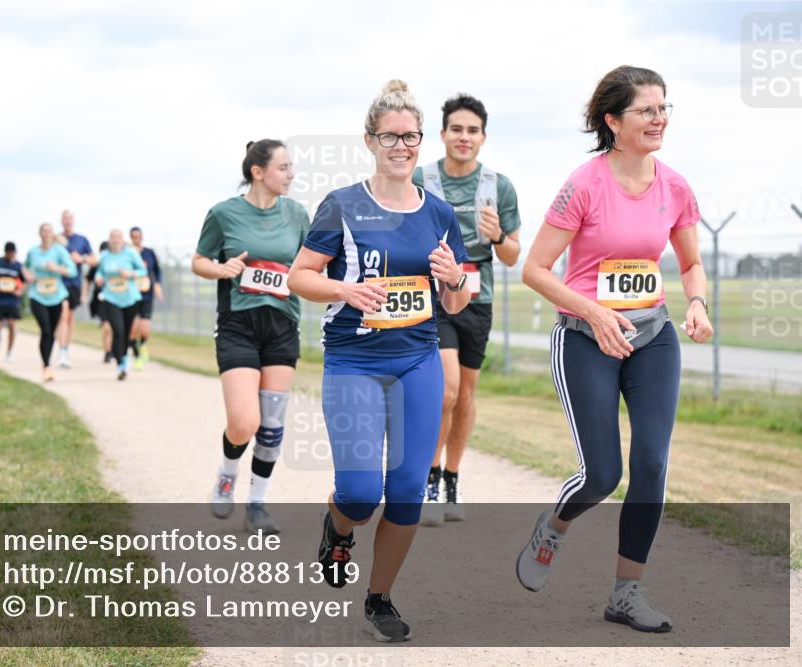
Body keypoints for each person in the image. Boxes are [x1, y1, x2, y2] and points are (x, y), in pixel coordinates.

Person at [515, 65, 712, 634]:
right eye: (646, 110)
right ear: (613, 120)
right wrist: (594, 312)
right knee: (603, 474)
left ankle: (626, 594)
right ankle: (554, 526)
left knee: (651, 465)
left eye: (664, 107)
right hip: (585, 337)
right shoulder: (584, 184)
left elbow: (692, 261)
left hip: (652, 336)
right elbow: (535, 269)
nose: (659, 118)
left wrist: (695, 302)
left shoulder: (674, 185)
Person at [288, 80, 469, 642]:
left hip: (418, 358)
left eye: (410, 137)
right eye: (390, 137)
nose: (401, 146)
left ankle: (380, 597)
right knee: (362, 493)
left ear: (420, 142)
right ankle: (338, 526)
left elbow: (457, 300)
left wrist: (454, 278)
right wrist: (345, 290)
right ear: (370, 140)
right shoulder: (342, 204)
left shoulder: (439, 213)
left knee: (409, 488)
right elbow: (300, 276)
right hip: (354, 361)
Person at [413, 94, 522, 526]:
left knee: (466, 396)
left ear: (483, 137)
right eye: (456, 129)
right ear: (442, 134)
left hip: (479, 298)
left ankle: (452, 479)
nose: (464, 137)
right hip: (434, 296)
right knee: (447, 390)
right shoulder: (420, 179)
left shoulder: (499, 186)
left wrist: (496, 237)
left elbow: (514, 255)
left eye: (472, 130)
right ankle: (429, 478)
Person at [192, 139, 310, 536]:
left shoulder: (297, 214)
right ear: (257, 172)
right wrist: (221, 269)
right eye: (282, 167)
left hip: (281, 326)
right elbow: (199, 260)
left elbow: (313, 262)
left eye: (291, 167)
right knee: (244, 421)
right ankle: (227, 474)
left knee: (272, 425)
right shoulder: (224, 213)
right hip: (238, 325)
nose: (290, 174)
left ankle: (257, 504)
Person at [26, 223, 77, 382]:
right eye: (44, 231)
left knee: (51, 331)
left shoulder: (59, 251)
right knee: (45, 330)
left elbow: (72, 270)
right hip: (37, 295)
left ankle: (47, 364)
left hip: (56, 296)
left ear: (52, 234)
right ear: (40, 233)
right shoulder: (33, 252)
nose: (46, 234)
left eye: (49, 231)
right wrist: (28, 276)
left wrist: (56, 268)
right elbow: (25, 268)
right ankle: (47, 366)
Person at [95, 230, 147, 380]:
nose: (115, 240)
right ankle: (120, 364)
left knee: (126, 331)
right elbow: (99, 272)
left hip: (130, 298)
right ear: (109, 240)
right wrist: (99, 278)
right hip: (111, 298)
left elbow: (142, 270)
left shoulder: (130, 254)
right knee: (117, 330)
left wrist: (130, 274)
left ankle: (124, 357)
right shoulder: (105, 256)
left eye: (118, 237)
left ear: (122, 240)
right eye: (112, 237)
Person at [55, 209, 95, 368]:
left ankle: (65, 349)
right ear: (61, 221)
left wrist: (81, 259)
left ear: (74, 221)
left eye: (70, 219)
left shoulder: (81, 240)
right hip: (58, 283)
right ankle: (61, 349)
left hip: (74, 284)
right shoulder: (56, 239)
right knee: (62, 316)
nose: (68, 221)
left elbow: (93, 260)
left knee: (69, 318)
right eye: (65, 219)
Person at [128, 226, 163, 369]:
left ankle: (142, 345)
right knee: (133, 328)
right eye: (134, 236)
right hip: (131, 296)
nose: (136, 238)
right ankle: (136, 356)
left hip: (147, 295)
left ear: (141, 237)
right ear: (130, 237)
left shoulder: (149, 253)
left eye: (138, 236)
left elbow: (156, 271)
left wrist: (157, 286)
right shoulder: (127, 253)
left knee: (144, 329)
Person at [0, 241, 25, 362]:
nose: (11, 255)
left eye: (13, 253)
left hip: (12, 300)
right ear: (6, 252)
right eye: (9, 253)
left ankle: (9, 352)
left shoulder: (19, 266)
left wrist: (19, 290)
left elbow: (23, 281)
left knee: (12, 325)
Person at [86, 241, 114, 363]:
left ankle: (116, 349)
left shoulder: (117, 264)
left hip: (118, 299)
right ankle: (108, 352)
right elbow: (88, 280)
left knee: (116, 328)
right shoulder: (96, 266)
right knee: (107, 327)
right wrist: (84, 295)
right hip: (102, 299)